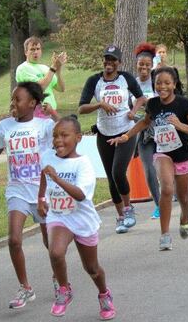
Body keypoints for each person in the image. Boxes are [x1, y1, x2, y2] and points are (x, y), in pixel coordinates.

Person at [0, 82, 55, 309]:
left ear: (32, 103)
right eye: (12, 99)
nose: (13, 103)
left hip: (41, 191)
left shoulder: (43, 126)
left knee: (50, 242)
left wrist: (54, 114)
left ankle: (59, 279)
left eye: (18, 100)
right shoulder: (4, 126)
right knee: (14, 239)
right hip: (17, 190)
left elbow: (65, 132)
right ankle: (25, 287)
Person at [108, 67, 188, 251]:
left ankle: (185, 216)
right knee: (166, 188)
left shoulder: (184, 104)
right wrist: (127, 136)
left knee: (183, 197)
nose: (162, 87)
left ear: (174, 84)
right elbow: (144, 122)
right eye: (158, 83)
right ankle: (165, 235)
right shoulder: (153, 104)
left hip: (182, 154)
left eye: (167, 83)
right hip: (162, 153)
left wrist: (179, 124)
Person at [37, 117, 116, 319]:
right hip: (59, 216)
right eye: (55, 136)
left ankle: (104, 293)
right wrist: (41, 198)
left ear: (78, 138)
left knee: (92, 268)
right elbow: (44, 178)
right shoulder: (47, 157)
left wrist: (57, 178)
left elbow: (80, 195)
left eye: (64, 135)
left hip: (82, 218)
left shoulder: (83, 164)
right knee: (55, 252)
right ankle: (64, 289)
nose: (58, 140)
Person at [78, 45, 147, 234]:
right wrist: (100, 104)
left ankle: (128, 208)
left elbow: (141, 98)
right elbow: (81, 108)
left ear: (119, 62)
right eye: (106, 59)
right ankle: (121, 217)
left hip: (125, 131)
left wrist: (133, 112)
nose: (109, 63)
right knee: (111, 177)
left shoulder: (126, 78)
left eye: (113, 60)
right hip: (104, 133)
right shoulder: (94, 81)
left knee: (118, 172)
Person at [133, 43, 161, 219]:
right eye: (141, 64)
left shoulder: (157, 82)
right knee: (149, 170)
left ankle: (171, 191)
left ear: (152, 65)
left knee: (166, 167)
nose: (144, 67)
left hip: (161, 130)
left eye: (147, 64)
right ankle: (159, 204)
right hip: (143, 134)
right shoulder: (131, 84)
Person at [15, 36, 66, 118]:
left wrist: (58, 69)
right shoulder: (23, 68)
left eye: (38, 49)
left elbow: (61, 88)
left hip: (51, 112)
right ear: (26, 52)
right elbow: (39, 89)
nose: (36, 52)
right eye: (32, 49)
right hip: (35, 115)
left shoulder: (45, 68)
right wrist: (53, 67)